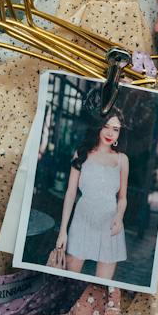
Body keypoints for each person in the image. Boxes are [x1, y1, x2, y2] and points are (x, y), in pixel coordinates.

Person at [53, 107, 131, 280]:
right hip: (82, 222)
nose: (110, 133)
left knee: (101, 286)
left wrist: (119, 217)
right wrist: (63, 231)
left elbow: (123, 198)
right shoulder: (81, 154)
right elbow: (71, 193)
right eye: (106, 126)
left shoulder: (122, 160)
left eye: (116, 129)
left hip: (110, 225)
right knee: (69, 282)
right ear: (98, 126)